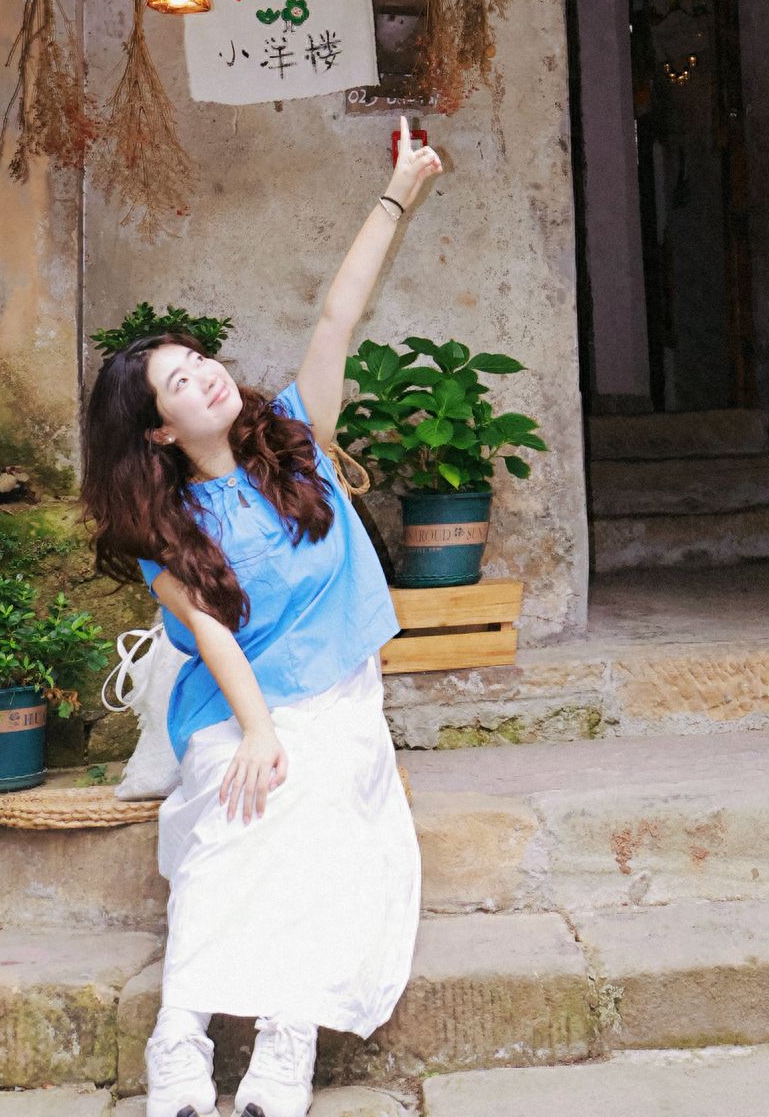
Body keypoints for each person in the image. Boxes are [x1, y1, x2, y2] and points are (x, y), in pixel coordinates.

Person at [82, 119, 442, 1117]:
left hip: (335, 698)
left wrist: (399, 192)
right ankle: (180, 1036)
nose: (202, 371)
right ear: (159, 428)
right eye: (175, 381)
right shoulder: (169, 527)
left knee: (313, 804)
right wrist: (254, 730)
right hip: (234, 709)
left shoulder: (297, 439)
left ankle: (284, 1044)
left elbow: (336, 316)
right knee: (244, 812)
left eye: (199, 357)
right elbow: (216, 641)